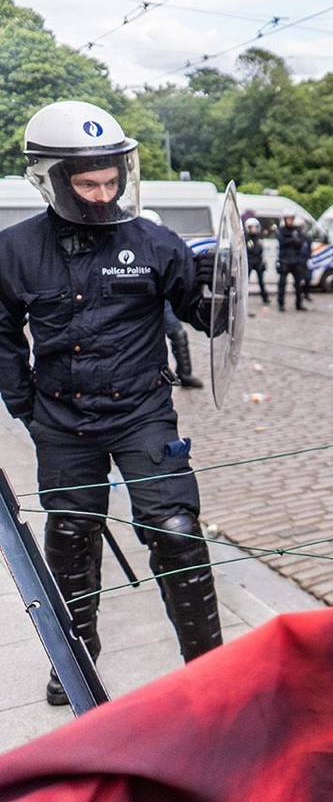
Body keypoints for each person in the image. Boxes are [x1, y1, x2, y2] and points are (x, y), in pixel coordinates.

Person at [0, 101, 223, 705]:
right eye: (86, 183)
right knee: (71, 533)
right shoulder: (14, 250)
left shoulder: (155, 241)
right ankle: (77, 656)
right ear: (50, 178)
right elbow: (0, 330)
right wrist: (25, 405)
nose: (103, 194)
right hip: (62, 419)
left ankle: (212, 670)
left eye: (111, 180)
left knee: (176, 530)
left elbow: (204, 318)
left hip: (143, 413)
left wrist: (220, 280)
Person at [137, 209, 204, 390]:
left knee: (178, 333)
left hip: (163, 299)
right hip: (139, 303)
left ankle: (185, 373)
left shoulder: (162, 246)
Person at [276, 214, 310, 312]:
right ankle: (281, 304)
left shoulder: (297, 230)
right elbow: (282, 242)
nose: (289, 220)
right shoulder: (281, 230)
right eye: (288, 219)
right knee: (282, 284)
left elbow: (301, 242)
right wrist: (293, 240)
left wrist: (291, 240)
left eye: (291, 219)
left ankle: (299, 304)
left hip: (296, 261)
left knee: (298, 284)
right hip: (284, 261)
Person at [245, 216, 269, 304]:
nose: (254, 229)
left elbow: (260, 250)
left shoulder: (259, 238)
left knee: (261, 281)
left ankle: (265, 297)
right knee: (245, 281)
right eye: (252, 227)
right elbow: (249, 250)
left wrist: (263, 261)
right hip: (249, 262)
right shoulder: (246, 239)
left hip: (258, 262)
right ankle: (243, 297)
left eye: (255, 227)